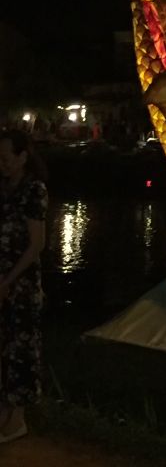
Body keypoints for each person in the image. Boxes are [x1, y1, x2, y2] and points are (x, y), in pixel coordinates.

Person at [0, 128, 48, 444]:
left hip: (19, 284)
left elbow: (36, 245)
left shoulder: (34, 190)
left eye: (5, 158)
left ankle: (17, 420)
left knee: (19, 349)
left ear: (22, 157)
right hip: (2, 281)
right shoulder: (5, 189)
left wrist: (8, 280)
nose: (1, 164)